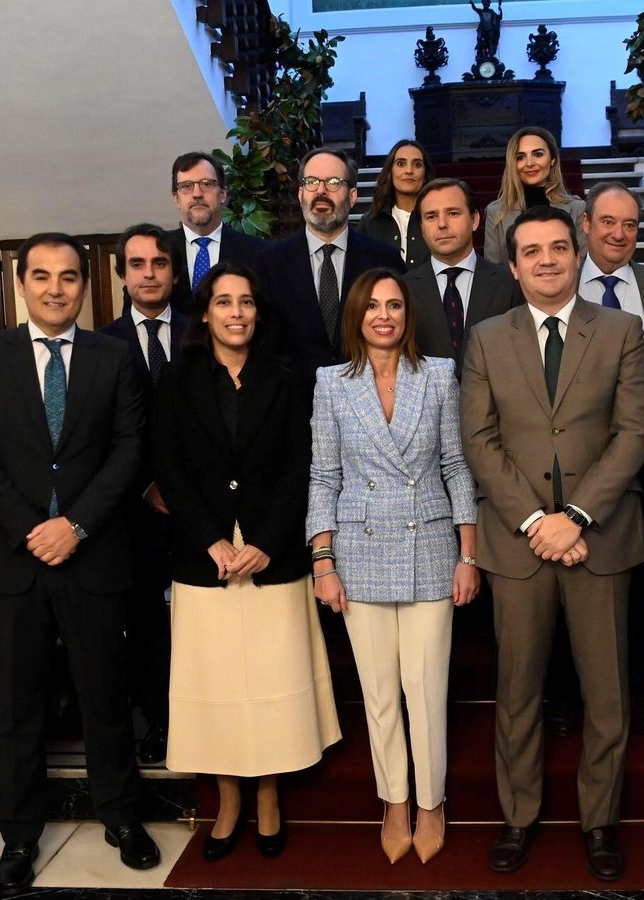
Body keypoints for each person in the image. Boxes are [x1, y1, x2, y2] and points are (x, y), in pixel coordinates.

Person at [0, 233, 159, 894]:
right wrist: (31, 528)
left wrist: (75, 525)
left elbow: (129, 450)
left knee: (106, 698)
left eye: (68, 277)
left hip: (94, 556)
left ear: (85, 285)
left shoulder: (113, 356)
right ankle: (19, 837)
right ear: (21, 284)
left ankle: (121, 818)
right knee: (19, 708)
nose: (54, 288)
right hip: (14, 564)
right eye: (41, 276)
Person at [461, 204, 644, 882]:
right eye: (531, 251)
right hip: (518, 544)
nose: (546, 260)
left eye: (558, 248)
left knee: (606, 695)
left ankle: (600, 822)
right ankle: (520, 816)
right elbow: (479, 441)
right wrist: (537, 523)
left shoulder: (623, 330)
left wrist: (575, 516)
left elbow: (634, 433)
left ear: (578, 254)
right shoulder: (486, 338)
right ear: (513, 267)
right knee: (517, 691)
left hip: (601, 539)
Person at [153, 260, 341, 861]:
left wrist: (265, 540)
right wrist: (210, 539)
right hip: (203, 558)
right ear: (204, 314)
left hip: (272, 556)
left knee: (273, 680)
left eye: (247, 302)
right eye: (224, 302)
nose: (236, 313)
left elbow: (302, 466)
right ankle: (228, 800)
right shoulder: (176, 380)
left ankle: (267, 796)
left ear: (259, 313)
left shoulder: (288, 378)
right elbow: (168, 467)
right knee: (215, 684)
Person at [307, 268, 478, 865]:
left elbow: (456, 466)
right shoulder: (331, 383)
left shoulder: (438, 374)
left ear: (408, 314)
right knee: (379, 694)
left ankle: (431, 802)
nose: (384, 316)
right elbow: (324, 476)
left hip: (429, 547)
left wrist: (468, 554)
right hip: (359, 552)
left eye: (395, 305)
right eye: (373, 306)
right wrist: (323, 561)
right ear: (357, 316)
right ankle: (395, 801)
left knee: (427, 690)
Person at [570, 180, 644, 734]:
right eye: (608, 222)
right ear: (586, 224)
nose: (619, 233)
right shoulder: (559, 280)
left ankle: (634, 695)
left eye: (630, 224)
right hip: (570, 463)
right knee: (569, 583)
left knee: (635, 586)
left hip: (640, 464)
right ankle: (570, 701)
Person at [97, 222, 185, 764]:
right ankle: (158, 723)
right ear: (122, 274)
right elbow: (98, 433)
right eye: (137, 264)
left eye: (159, 263)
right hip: (131, 513)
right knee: (147, 622)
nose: (149, 274)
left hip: (202, 507)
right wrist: (146, 486)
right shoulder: (101, 346)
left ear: (174, 272)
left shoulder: (204, 331)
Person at [253, 148, 405, 375]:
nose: (321, 191)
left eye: (333, 182)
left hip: (368, 389)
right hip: (293, 393)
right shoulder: (269, 264)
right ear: (300, 194)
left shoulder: (384, 260)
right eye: (311, 182)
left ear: (352, 196)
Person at [405, 176, 522, 375]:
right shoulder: (403, 290)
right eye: (431, 216)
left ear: (475, 220)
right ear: (422, 229)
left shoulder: (510, 283)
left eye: (453, 213)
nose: (442, 224)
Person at [481, 126, 585, 267]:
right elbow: (494, 270)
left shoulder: (577, 208)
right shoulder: (496, 212)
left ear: (553, 159)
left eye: (538, 154)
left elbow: (581, 265)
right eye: (520, 157)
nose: (529, 163)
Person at [168, 151, 267, 296]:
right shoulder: (160, 251)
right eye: (186, 186)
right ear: (176, 198)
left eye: (206, 184)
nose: (197, 194)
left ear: (222, 194)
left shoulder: (258, 253)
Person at [362, 139, 433, 268]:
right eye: (401, 164)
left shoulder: (437, 221)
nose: (409, 170)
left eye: (417, 165)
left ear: (425, 174)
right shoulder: (369, 222)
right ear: (390, 172)